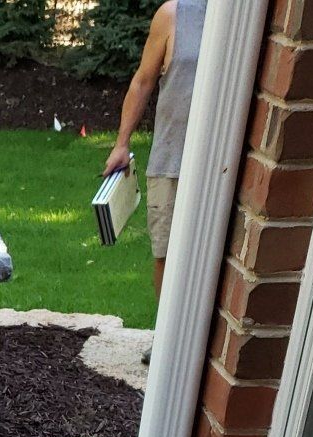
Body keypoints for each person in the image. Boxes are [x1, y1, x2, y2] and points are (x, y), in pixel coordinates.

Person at [103, 0, 204, 299]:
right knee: (167, 255)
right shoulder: (174, 14)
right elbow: (143, 81)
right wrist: (121, 144)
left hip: (225, 165)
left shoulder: (249, 18)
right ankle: (166, 340)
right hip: (171, 159)